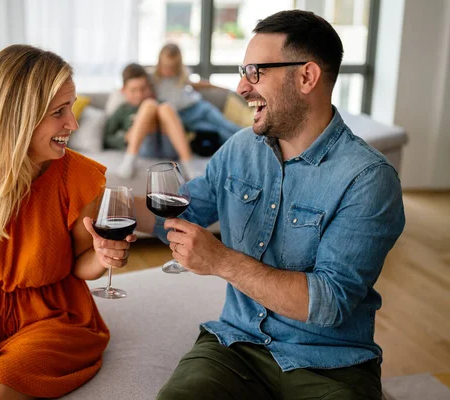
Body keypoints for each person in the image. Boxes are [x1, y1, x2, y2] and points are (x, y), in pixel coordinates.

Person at [134, 10, 405, 399]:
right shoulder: (240, 149)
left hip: (330, 364)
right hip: (236, 345)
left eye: (255, 72)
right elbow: (179, 213)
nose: (242, 88)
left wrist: (221, 261)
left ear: (307, 76)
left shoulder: (368, 178)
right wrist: (104, 204)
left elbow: (328, 302)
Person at [0, 44, 135, 400]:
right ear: (17, 116)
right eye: (59, 111)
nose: (73, 124)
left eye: (71, 107)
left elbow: (80, 265)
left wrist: (104, 257)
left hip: (52, 316)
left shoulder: (80, 177)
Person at [105, 63, 196, 180]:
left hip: (169, 146)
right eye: (133, 90)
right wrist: (125, 138)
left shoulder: (161, 103)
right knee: (149, 105)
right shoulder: (123, 110)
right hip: (145, 147)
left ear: (149, 87)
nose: (139, 95)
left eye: (143, 89)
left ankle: (189, 164)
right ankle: (129, 159)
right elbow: (107, 138)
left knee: (164, 107)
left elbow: (183, 128)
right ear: (124, 90)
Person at [152, 43, 242, 144]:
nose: (168, 70)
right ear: (159, 63)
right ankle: (240, 146)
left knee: (227, 125)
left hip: (199, 107)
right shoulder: (154, 79)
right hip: (185, 118)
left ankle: (253, 138)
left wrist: (219, 87)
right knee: (218, 132)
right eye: (165, 66)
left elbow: (198, 84)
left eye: (173, 67)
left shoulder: (182, 74)